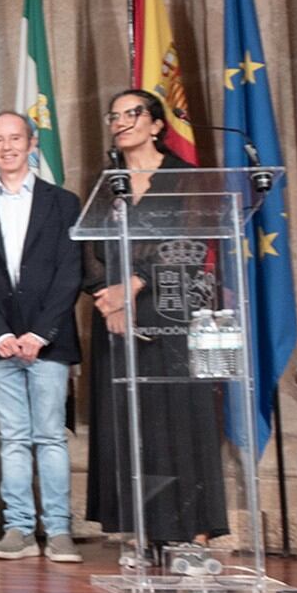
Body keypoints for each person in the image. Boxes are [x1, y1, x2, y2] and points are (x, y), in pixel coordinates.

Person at [83, 89, 228, 547]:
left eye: (133, 113)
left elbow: (190, 243)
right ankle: (147, 531)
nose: (122, 122)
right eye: (115, 116)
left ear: (157, 125)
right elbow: (89, 250)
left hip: (172, 313)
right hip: (116, 321)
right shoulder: (109, 185)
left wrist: (135, 286)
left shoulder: (186, 178)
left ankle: (194, 530)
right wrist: (106, 297)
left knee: (180, 419)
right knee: (135, 422)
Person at [0, 110, 84, 564]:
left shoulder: (64, 203)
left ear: (33, 143)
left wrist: (40, 333)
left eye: (15, 138)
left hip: (48, 341)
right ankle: (18, 529)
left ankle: (60, 531)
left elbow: (70, 273)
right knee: (13, 437)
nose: (7, 147)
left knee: (49, 436)